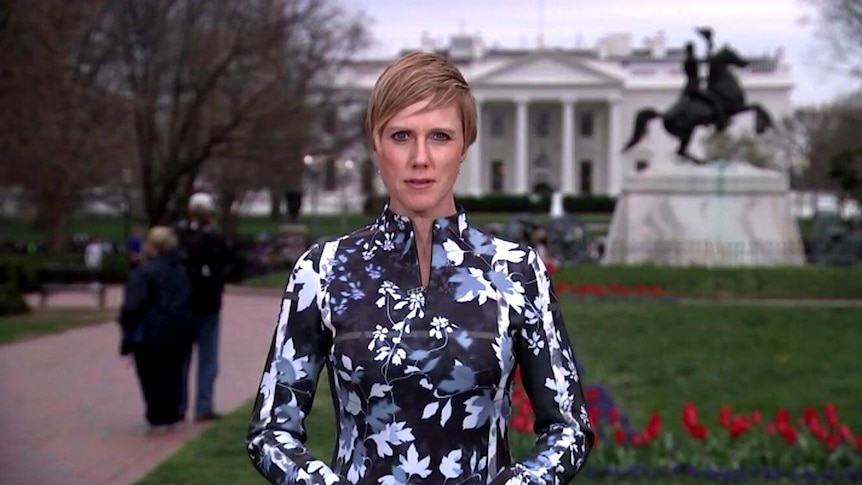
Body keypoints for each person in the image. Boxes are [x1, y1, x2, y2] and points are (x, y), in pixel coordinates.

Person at [246, 51, 594, 484]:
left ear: (465, 146)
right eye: (401, 136)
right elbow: (271, 430)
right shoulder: (323, 270)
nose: (420, 158)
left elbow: (569, 428)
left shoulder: (517, 272)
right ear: (376, 144)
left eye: (441, 137)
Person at [118, 226, 194, 430]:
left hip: (150, 331)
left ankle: (157, 415)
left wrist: (126, 324)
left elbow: (133, 304)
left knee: (151, 376)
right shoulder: (181, 268)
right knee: (173, 373)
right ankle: (171, 413)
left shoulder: (144, 271)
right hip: (178, 328)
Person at [175, 192, 229, 422]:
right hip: (207, 303)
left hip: (183, 303)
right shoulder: (214, 239)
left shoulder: (178, 236)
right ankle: (203, 405)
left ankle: (179, 406)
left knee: (182, 358)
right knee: (207, 358)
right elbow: (227, 262)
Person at [681, 38, 728, 132]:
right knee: (715, 100)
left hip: (687, 88)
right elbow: (707, 60)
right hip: (694, 88)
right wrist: (709, 44)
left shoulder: (686, 60)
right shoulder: (692, 60)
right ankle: (720, 123)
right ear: (692, 50)